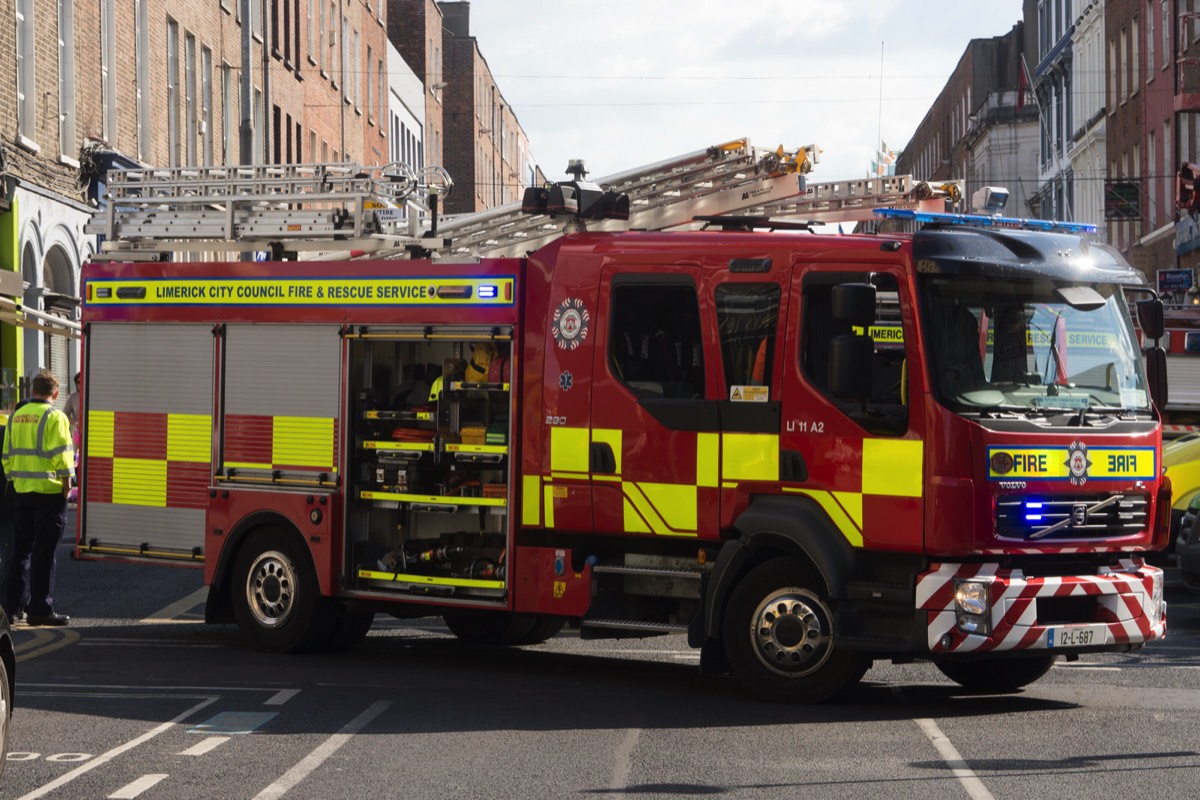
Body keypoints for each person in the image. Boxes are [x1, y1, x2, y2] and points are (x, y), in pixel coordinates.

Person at [2, 369, 74, 626]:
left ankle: (11, 609)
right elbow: (64, 458)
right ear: (55, 393)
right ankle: (40, 609)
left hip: (20, 491)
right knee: (44, 553)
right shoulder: (55, 417)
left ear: (32, 390)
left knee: (20, 552)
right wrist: (66, 489)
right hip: (49, 494)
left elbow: (6, 456)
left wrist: (15, 481)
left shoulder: (16, 416)